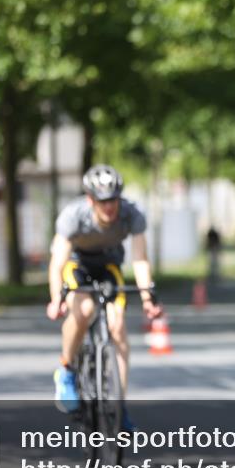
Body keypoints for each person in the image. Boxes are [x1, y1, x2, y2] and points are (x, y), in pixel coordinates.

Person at [46, 165, 162, 429]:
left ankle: (118, 406)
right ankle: (65, 371)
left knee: (117, 326)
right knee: (84, 309)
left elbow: (140, 259)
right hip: (77, 265)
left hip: (109, 266)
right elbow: (57, 263)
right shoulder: (73, 216)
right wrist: (57, 298)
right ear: (90, 200)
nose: (109, 207)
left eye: (113, 200)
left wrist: (148, 300)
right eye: (103, 202)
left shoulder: (132, 215)